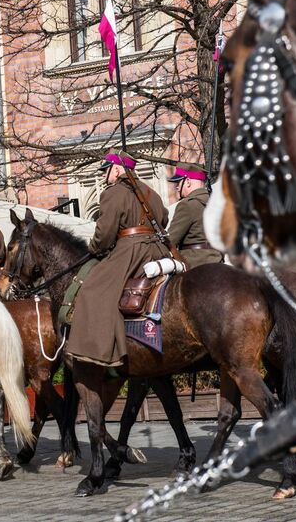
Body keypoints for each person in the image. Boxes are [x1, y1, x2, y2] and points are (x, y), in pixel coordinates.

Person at [67, 150, 169, 368]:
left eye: (107, 170)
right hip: (158, 251)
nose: (105, 176)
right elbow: (164, 219)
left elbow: (104, 234)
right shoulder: (152, 193)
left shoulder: (113, 193)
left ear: (117, 169)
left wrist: (94, 248)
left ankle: (100, 351)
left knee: (94, 289)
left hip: (130, 251)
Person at [167, 163, 224, 268]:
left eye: (178, 183)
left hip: (193, 264)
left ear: (188, 181)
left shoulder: (187, 205)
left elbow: (171, 240)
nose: (177, 188)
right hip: (217, 259)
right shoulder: (216, 203)